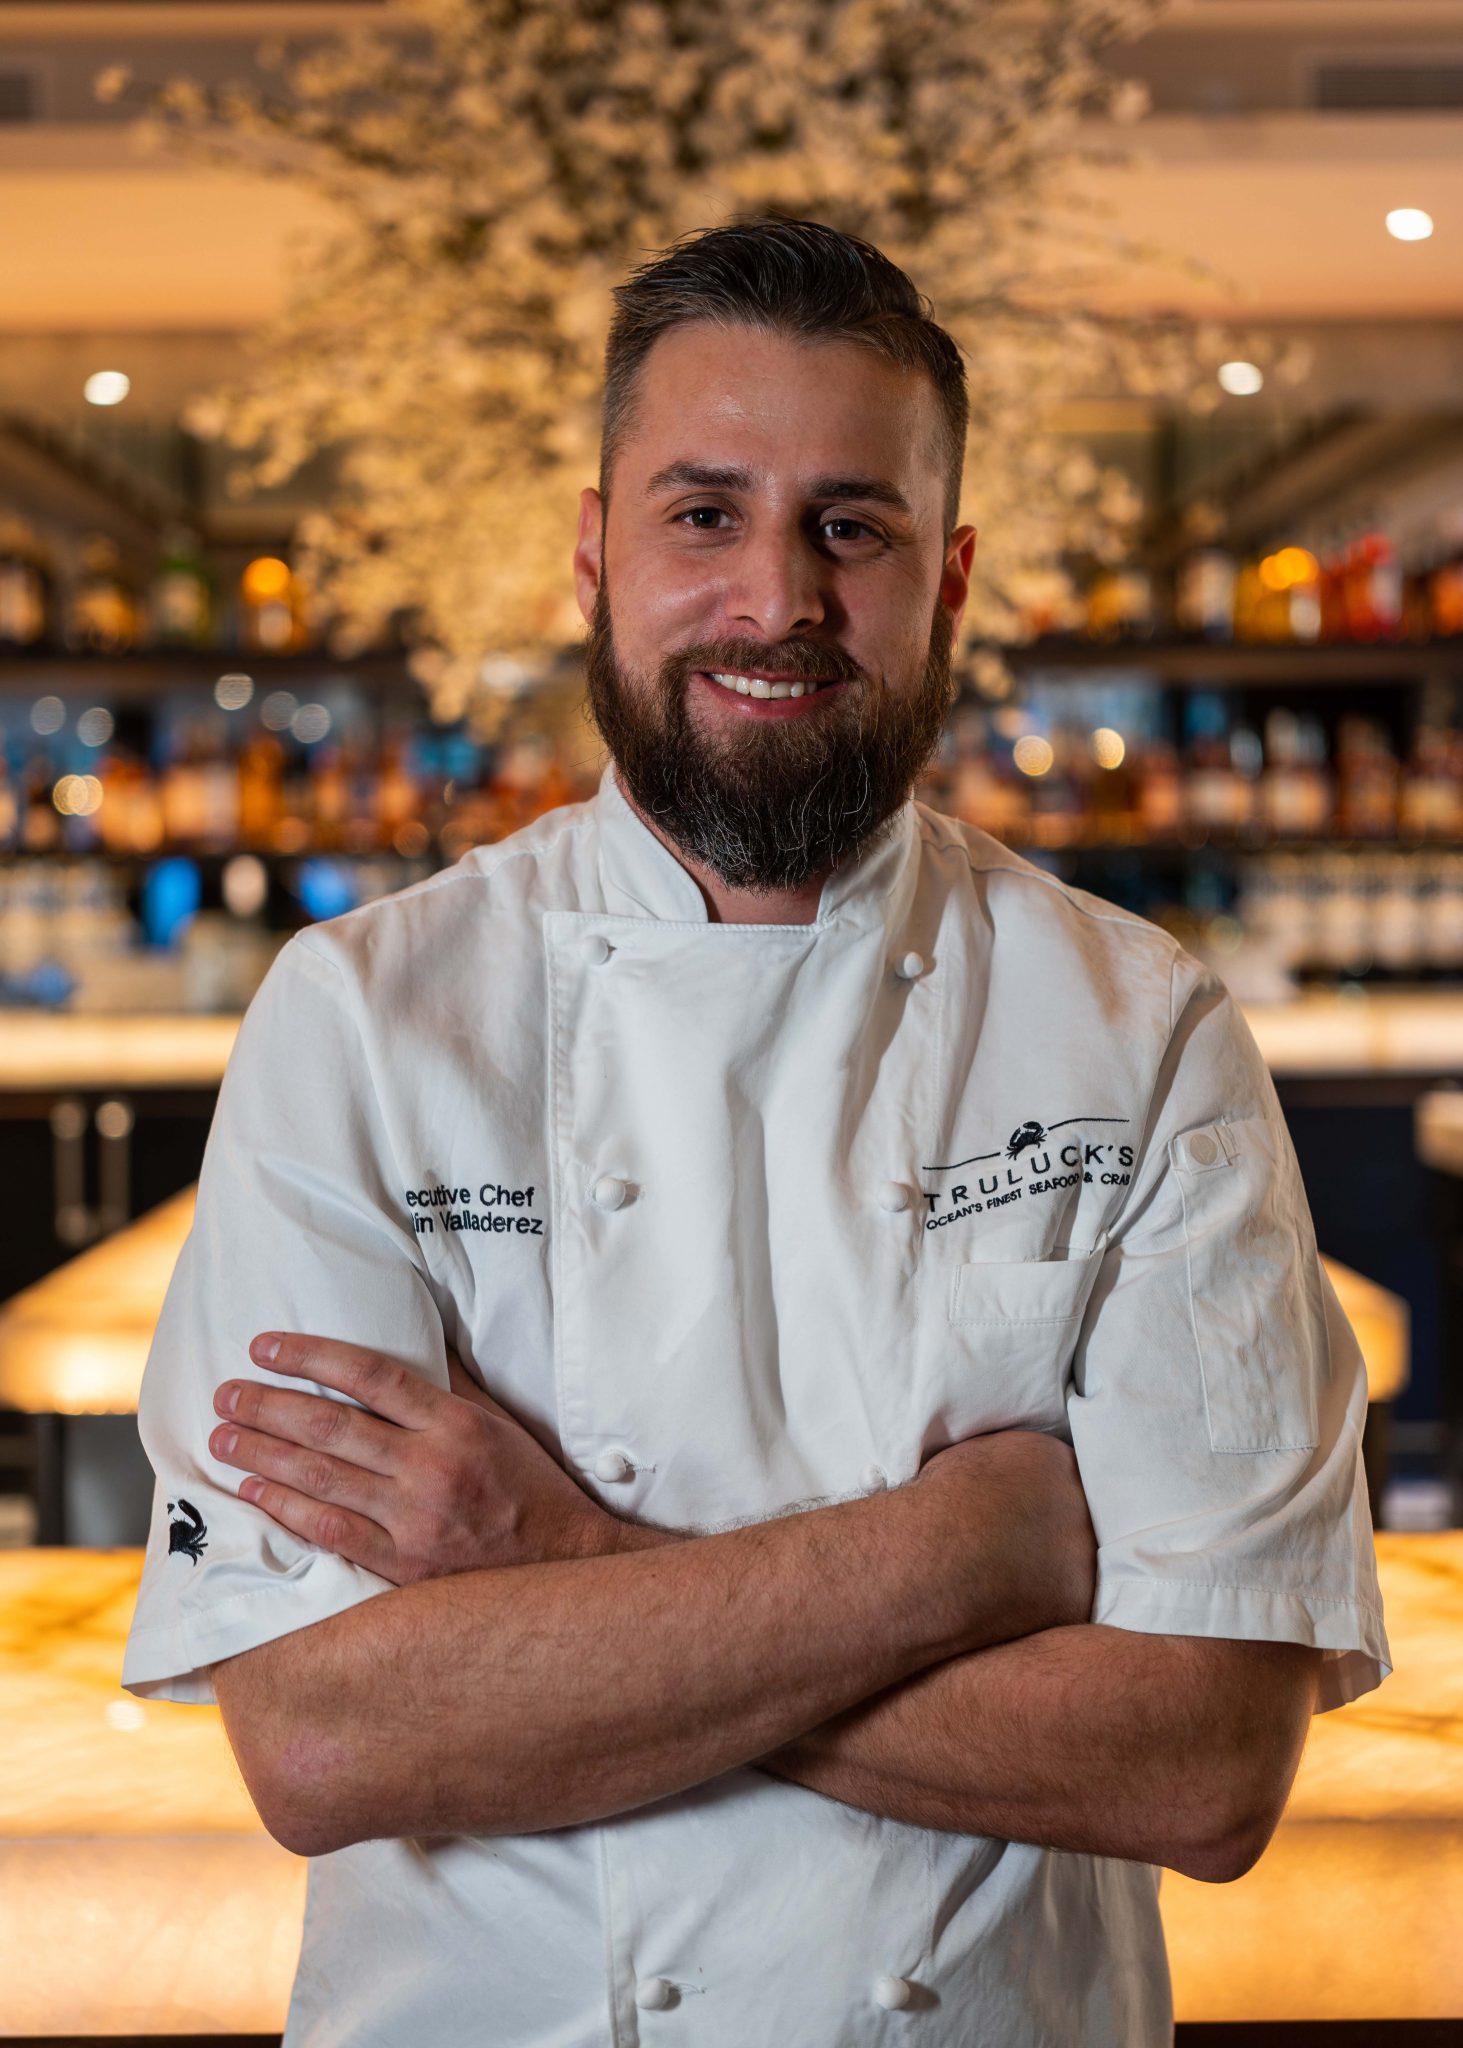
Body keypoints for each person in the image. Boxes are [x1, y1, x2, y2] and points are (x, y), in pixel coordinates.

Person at [122, 217, 1390, 2048]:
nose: (777, 598)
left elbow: (1199, 1762)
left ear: (948, 579)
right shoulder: (367, 1019)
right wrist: (962, 1559)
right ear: (595, 550)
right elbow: (328, 1736)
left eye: (849, 527)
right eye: (702, 513)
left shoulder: (1142, 1031)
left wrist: (558, 1573)